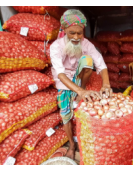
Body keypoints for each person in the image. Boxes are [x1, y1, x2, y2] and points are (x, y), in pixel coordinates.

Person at [50, 9, 112, 160]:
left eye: (79, 33)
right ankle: (71, 145)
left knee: (88, 60)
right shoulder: (56, 46)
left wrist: (106, 84)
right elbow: (60, 74)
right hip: (63, 82)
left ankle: (81, 91)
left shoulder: (86, 43)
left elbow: (101, 63)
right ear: (64, 30)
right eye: (72, 33)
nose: (77, 37)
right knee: (66, 116)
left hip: (79, 79)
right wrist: (79, 91)